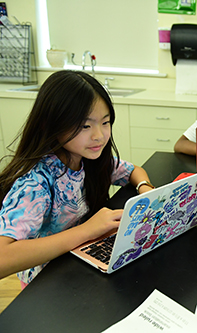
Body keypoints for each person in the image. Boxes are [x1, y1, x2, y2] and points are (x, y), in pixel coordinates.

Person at [0, 70, 156, 287]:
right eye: (85, 126)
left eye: (105, 122)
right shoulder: (36, 182)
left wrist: (145, 189)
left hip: (79, 259)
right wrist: (87, 230)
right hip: (46, 284)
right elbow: (3, 258)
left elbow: (132, 170)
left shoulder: (88, 159)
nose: (99, 136)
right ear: (50, 124)